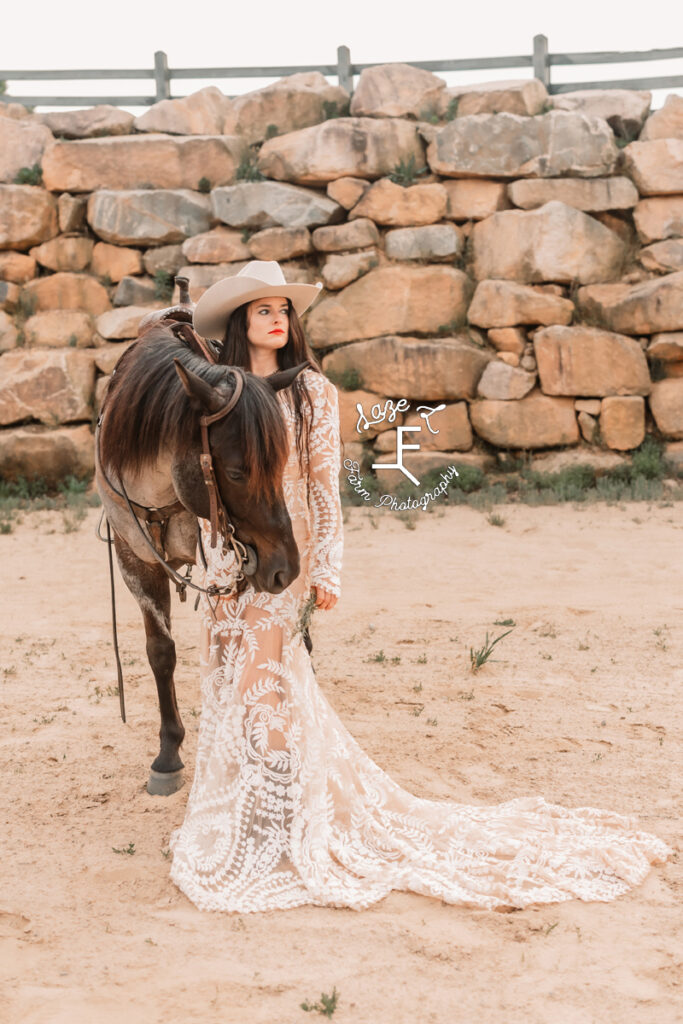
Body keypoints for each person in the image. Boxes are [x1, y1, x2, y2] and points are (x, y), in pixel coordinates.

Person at [169, 261, 670, 914]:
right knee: (228, 673)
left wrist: (327, 569)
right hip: (226, 559)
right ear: (240, 322)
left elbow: (323, 487)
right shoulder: (222, 390)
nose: (276, 319)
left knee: (262, 681)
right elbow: (206, 483)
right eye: (262, 310)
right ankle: (244, 810)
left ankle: (275, 822)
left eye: (284, 309)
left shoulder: (310, 393)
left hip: (283, 555)